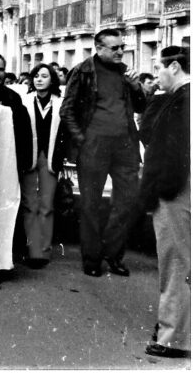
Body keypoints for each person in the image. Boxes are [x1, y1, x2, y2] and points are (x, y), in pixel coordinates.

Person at [60, 28, 146, 277]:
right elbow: (67, 110)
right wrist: (82, 140)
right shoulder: (83, 70)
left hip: (125, 145)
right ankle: (92, 258)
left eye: (122, 46)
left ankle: (113, 253)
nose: (121, 51)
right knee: (90, 204)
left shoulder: (125, 73)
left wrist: (136, 86)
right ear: (99, 48)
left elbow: (141, 106)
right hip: (94, 145)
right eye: (115, 47)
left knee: (127, 201)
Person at [139, 46, 190, 359]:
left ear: (174, 66)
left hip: (176, 189)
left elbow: (154, 140)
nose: (155, 75)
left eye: (159, 68)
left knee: (176, 262)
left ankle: (175, 337)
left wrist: (161, 188)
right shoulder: (176, 98)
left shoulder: (181, 101)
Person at [0, 51, 34, 265]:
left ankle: (8, 250)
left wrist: (24, 161)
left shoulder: (13, 97)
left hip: (6, 163)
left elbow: (23, 132)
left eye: (1, 69)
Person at [19, 63, 65, 268]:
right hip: (30, 156)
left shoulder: (61, 103)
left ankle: (44, 250)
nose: (39, 79)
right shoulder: (24, 101)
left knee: (47, 204)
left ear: (52, 80)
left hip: (50, 157)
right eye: (36, 76)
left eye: (44, 76)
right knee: (30, 204)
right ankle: (32, 249)